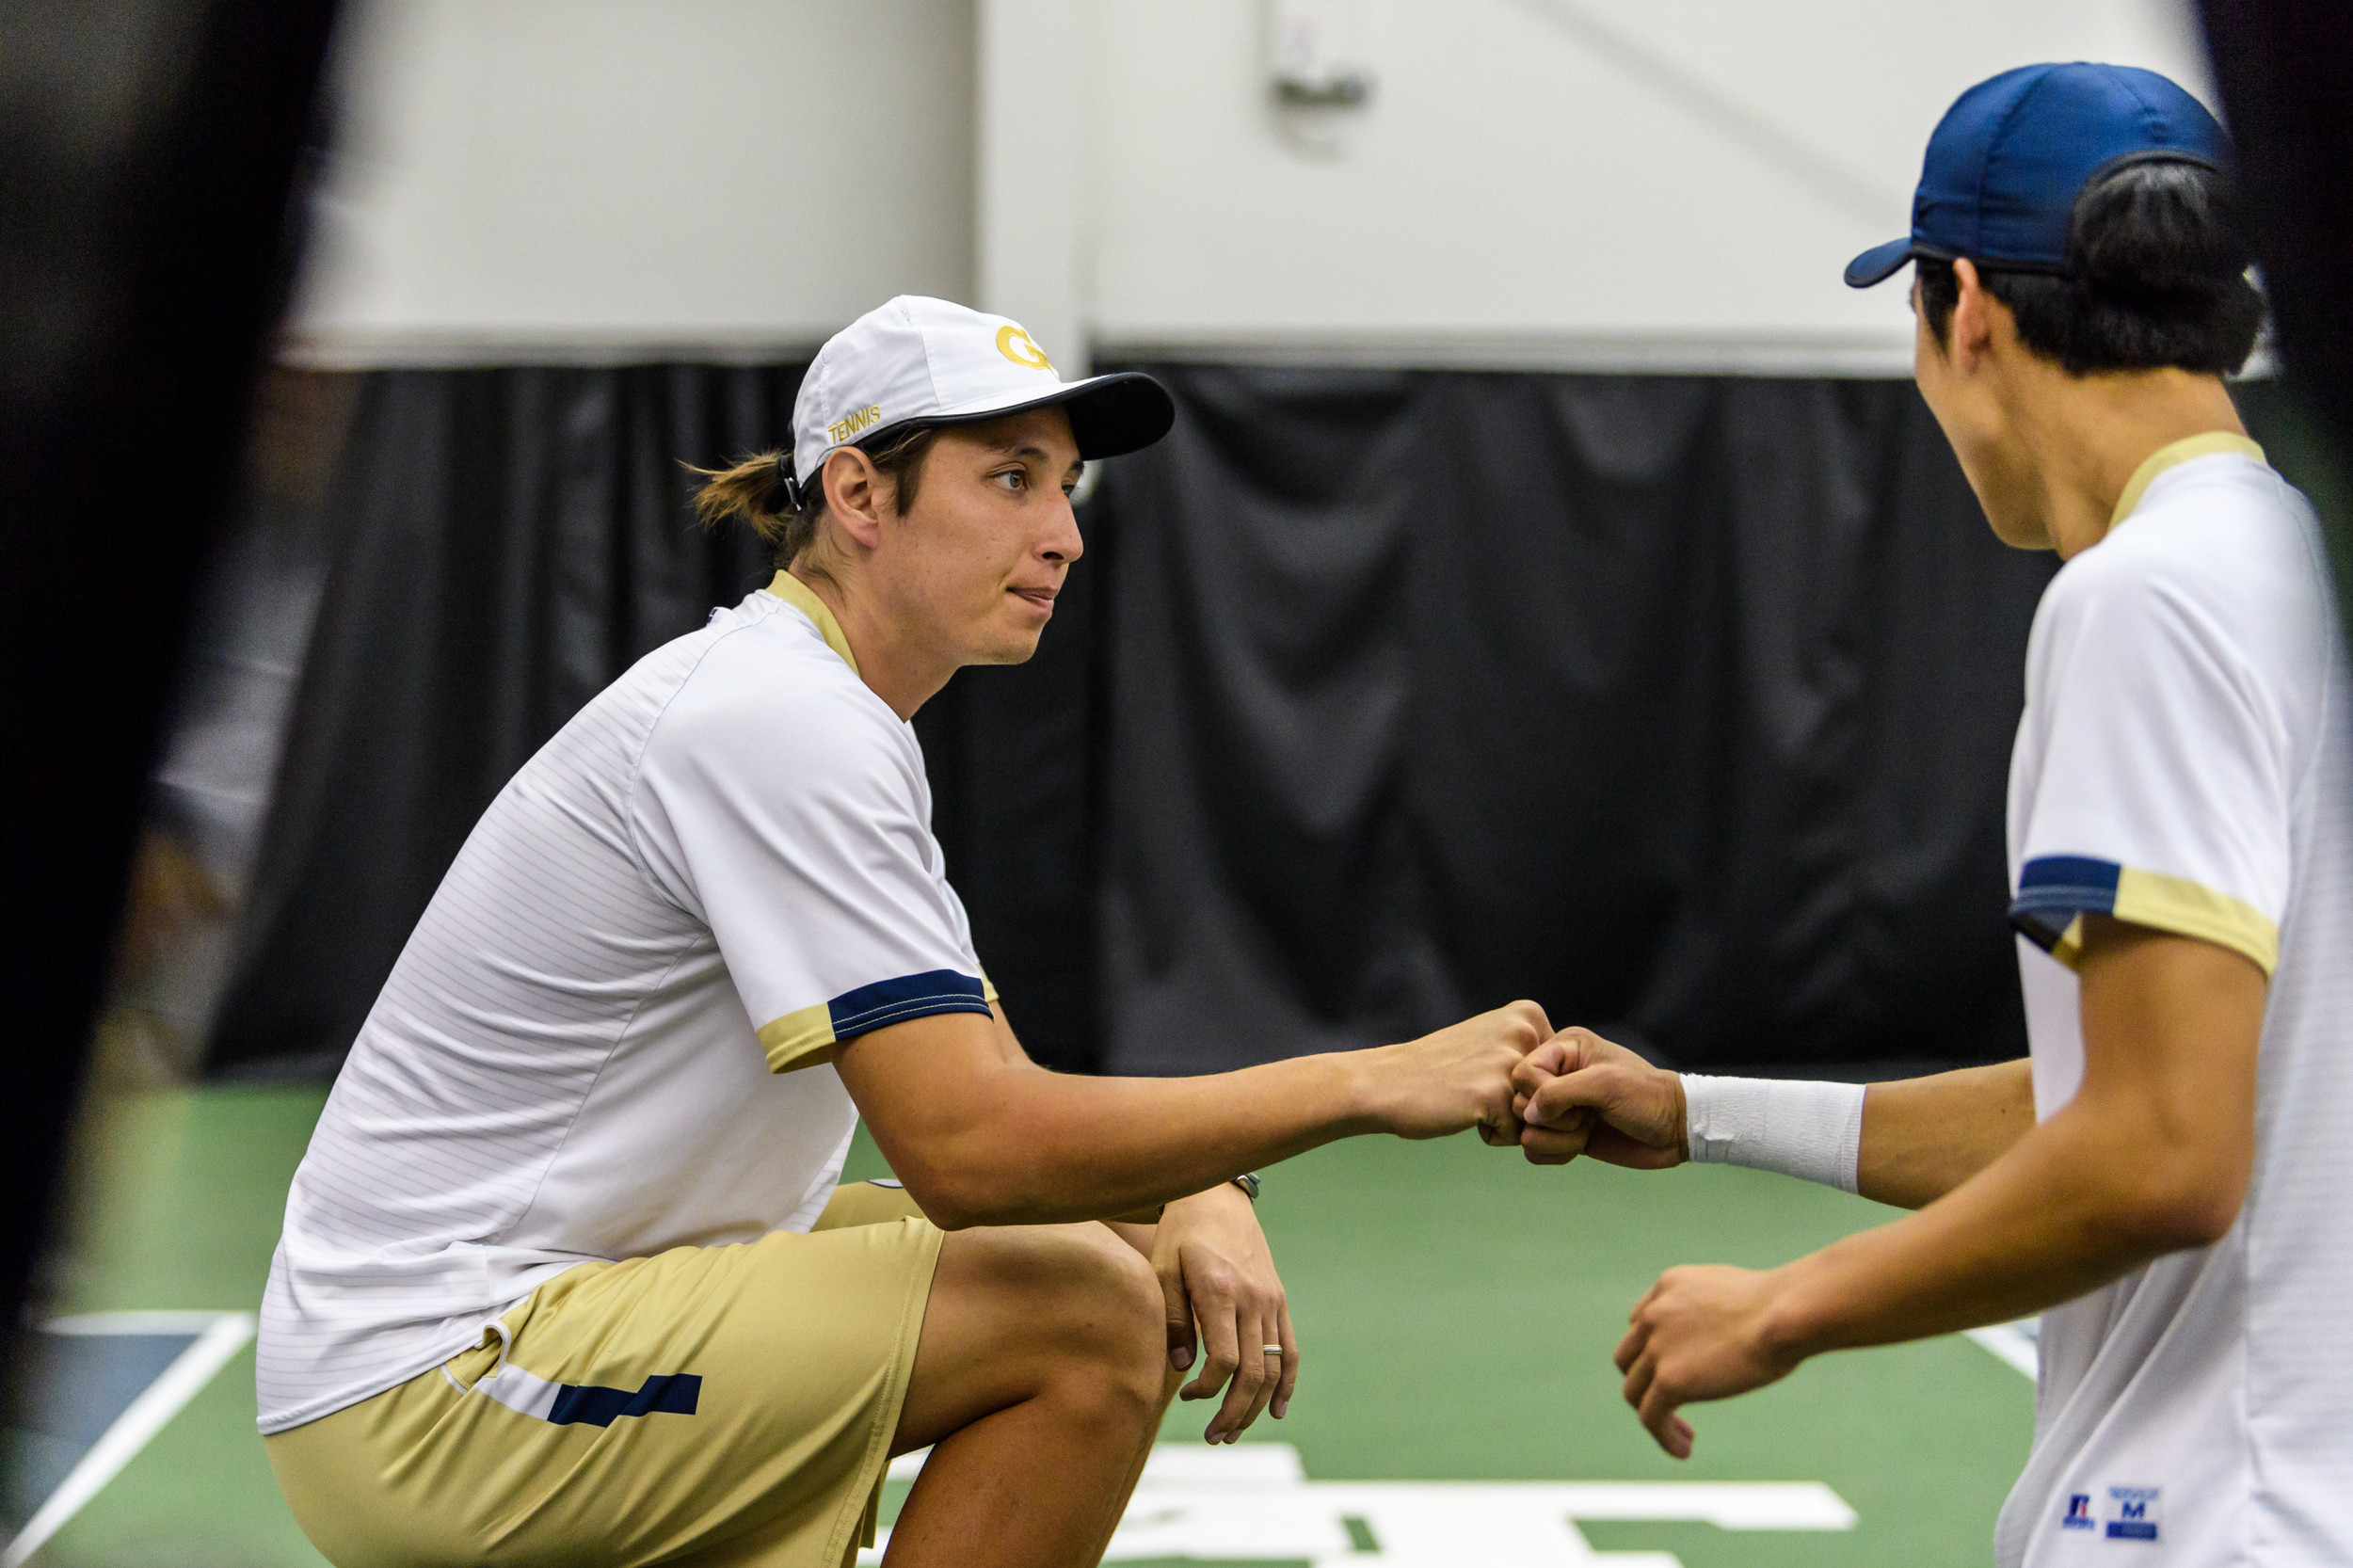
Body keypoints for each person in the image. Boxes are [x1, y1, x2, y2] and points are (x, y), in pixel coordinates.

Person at [259, 295, 1548, 1568]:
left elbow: (999, 1086)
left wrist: (1192, 1197)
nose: (1064, 536)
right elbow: (971, 1152)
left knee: (1096, 1249)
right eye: (1011, 478)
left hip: (526, 1312)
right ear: (861, 496)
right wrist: (1371, 1081)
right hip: (438, 1378)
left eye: (1065, 488)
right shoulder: (784, 721)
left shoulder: (813, 704)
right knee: (1082, 1313)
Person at [1512, 64, 2351, 1566]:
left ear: (1962, 306)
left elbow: (2163, 1151)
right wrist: (1699, 1110)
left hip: (2209, 1523)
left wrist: (1790, 1303)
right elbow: (2123, 1094)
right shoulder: (2290, 561)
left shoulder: (2145, 599)